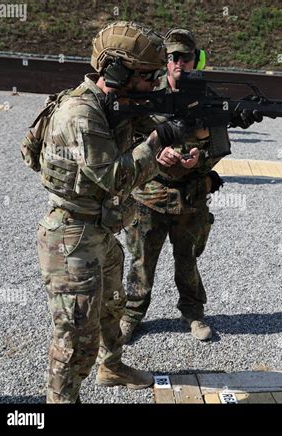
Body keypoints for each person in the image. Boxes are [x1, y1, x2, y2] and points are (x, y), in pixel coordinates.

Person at [30, 21, 186, 403]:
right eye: (149, 76)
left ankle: (111, 366)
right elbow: (115, 178)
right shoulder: (80, 114)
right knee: (75, 337)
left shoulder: (113, 104)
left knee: (111, 306)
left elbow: (147, 142)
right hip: (71, 238)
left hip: (99, 231)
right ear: (117, 73)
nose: (155, 83)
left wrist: (173, 152)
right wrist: (156, 143)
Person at [120, 29, 261, 342]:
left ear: (196, 60)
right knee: (142, 261)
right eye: (174, 57)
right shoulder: (144, 92)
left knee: (188, 260)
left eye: (187, 56)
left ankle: (193, 313)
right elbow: (124, 141)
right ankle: (131, 314)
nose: (180, 62)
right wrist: (156, 152)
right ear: (166, 61)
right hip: (149, 196)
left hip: (190, 199)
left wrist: (197, 160)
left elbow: (220, 148)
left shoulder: (209, 100)